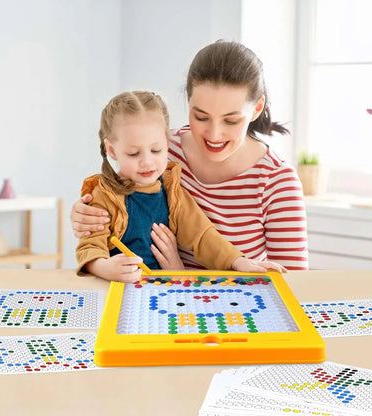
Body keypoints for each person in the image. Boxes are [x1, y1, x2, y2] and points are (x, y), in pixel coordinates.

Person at [71, 40, 308, 271]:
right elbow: (112, 203)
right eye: (201, 117)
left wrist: (180, 274)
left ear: (256, 108)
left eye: (231, 120)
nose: (214, 135)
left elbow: (294, 289)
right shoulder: (161, 151)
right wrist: (85, 215)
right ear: (188, 102)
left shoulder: (277, 181)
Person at [76, 91, 287, 282]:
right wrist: (105, 268)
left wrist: (239, 262)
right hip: (115, 293)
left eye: (156, 150)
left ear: (167, 143)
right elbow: (89, 247)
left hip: (162, 291)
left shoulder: (172, 191)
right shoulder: (103, 195)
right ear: (112, 150)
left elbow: (203, 235)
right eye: (134, 153)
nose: (147, 162)